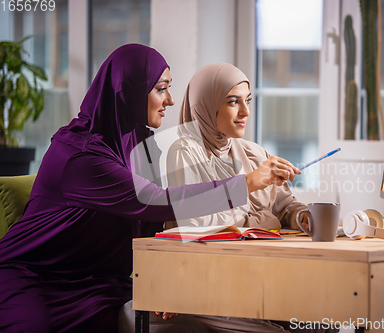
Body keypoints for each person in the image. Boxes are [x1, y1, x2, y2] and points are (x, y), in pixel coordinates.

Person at [0, 44, 300, 333]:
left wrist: (167, 279)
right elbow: (156, 202)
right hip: (34, 276)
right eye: (160, 89)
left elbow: (162, 225)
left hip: (100, 282)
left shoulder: (142, 144)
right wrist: (246, 183)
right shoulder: (78, 156)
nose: (170, 100)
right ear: (128, 92)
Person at [166, 62, 308, 231]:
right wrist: (261, 221)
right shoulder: (184, 152)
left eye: (247, 100)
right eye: (233, 102)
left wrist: (303, 216)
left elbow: (285, 207)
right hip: (203, 257)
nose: (246, 111)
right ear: (206, 105)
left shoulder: (254, 153)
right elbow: (195, 222)